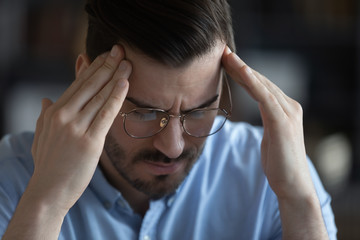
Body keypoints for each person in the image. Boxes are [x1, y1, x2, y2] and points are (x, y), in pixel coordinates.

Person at [0, 0, 337, 239]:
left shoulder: (276, 179)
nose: (173, 147)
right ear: (86, 84)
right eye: (145, 112)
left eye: (199, 111)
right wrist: (47, 203)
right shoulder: (12, 181)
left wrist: (299, 201)